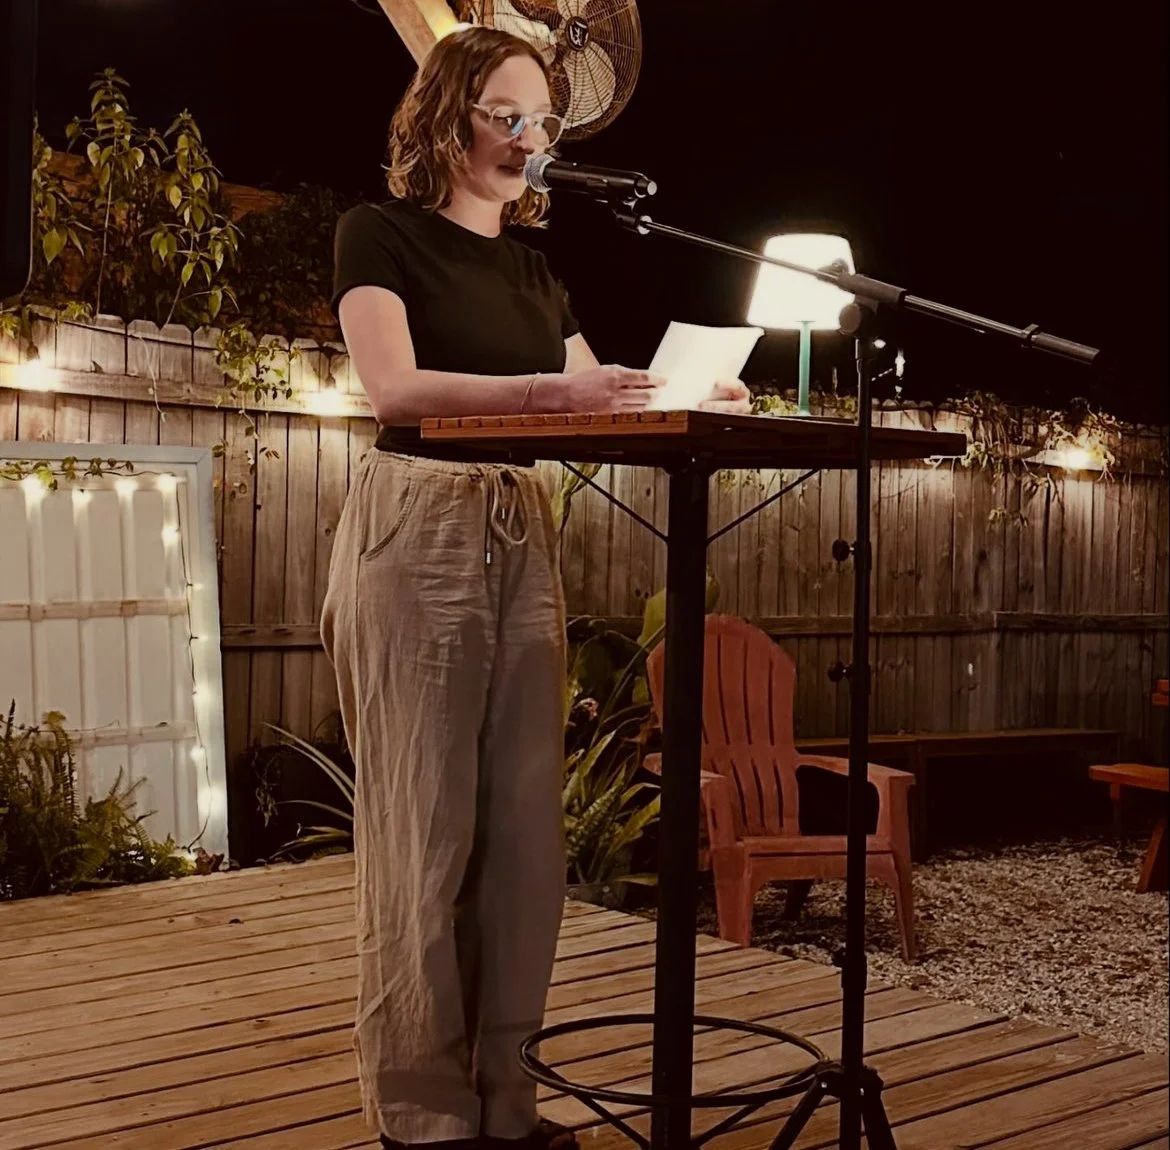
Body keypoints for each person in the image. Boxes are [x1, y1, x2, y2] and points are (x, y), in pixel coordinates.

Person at [321, 24, 751, 1150]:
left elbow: (596, 394)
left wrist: (704, 398)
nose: (526, 138)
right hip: (418, 525)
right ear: (445, 113)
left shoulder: (532, 270)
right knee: (426, 833)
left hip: (522, 528)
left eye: (541, 122)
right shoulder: (380, 234)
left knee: (521, 838)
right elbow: (394, 391)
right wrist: (552, 396)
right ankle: (422, 1115)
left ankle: (508, 1102)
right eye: (504, 114)